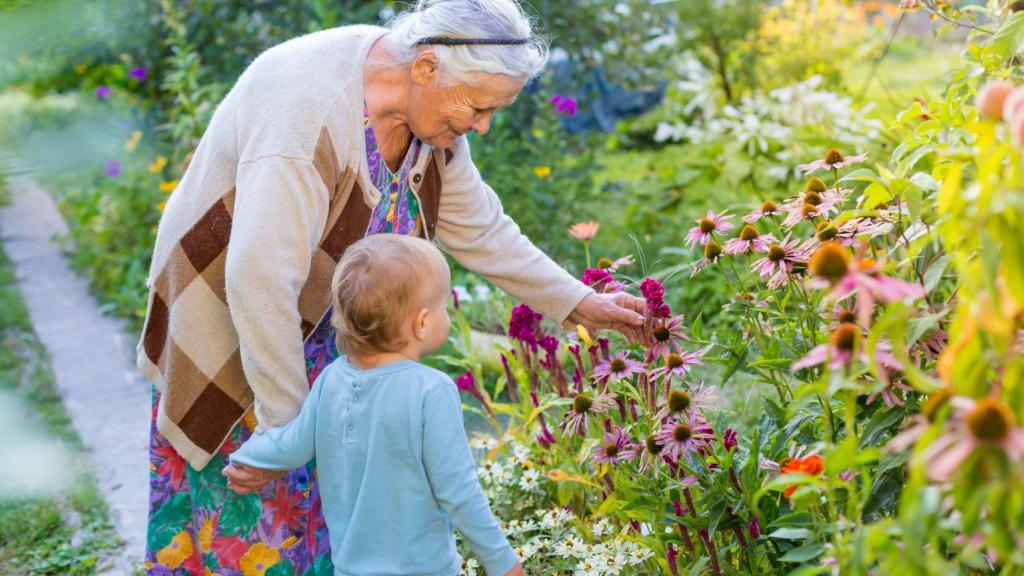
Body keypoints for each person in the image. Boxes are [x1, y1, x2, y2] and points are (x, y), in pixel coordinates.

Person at [138, 0, 643, 572]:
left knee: (331, 524)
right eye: (479, 107)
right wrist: (290, 433)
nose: (482, 125)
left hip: (337, 334)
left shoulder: (429, 116)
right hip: (239, 325)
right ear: (426, 68)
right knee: (249, 529)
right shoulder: (306, 109)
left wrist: (578, 302)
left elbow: (482, 229)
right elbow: (257, 280)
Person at [224, 234, 523, 576]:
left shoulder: (331, 379)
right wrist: (502, 562)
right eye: (443, 304)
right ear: (422, 323)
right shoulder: (431, 391)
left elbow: (293, 444)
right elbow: (459, 492)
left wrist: (246, 459)